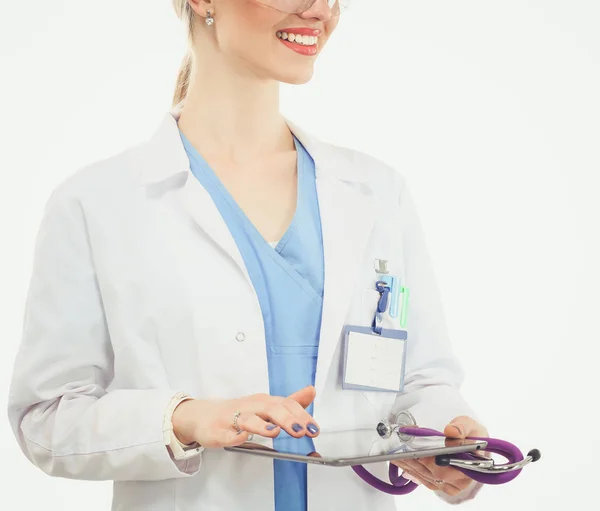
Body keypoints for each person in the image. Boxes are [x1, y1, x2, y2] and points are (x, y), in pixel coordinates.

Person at [7, 1, 489, 510]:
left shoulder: (375, 191)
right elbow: (46, 419)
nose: (319, 10)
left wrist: (446, 439)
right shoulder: (98, 202)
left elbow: (422, 380)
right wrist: (183, 419)